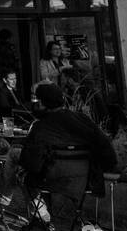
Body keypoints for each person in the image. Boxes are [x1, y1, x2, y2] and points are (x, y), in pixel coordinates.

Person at [20, 84, 118, 214]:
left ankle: (38, 214)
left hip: (51, 179)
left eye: (36, 100)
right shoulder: (82, 119)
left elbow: (31, 164)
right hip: (84, 180)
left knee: (18, 163)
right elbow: (106, 149)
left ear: (42, 103)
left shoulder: (41, 127)